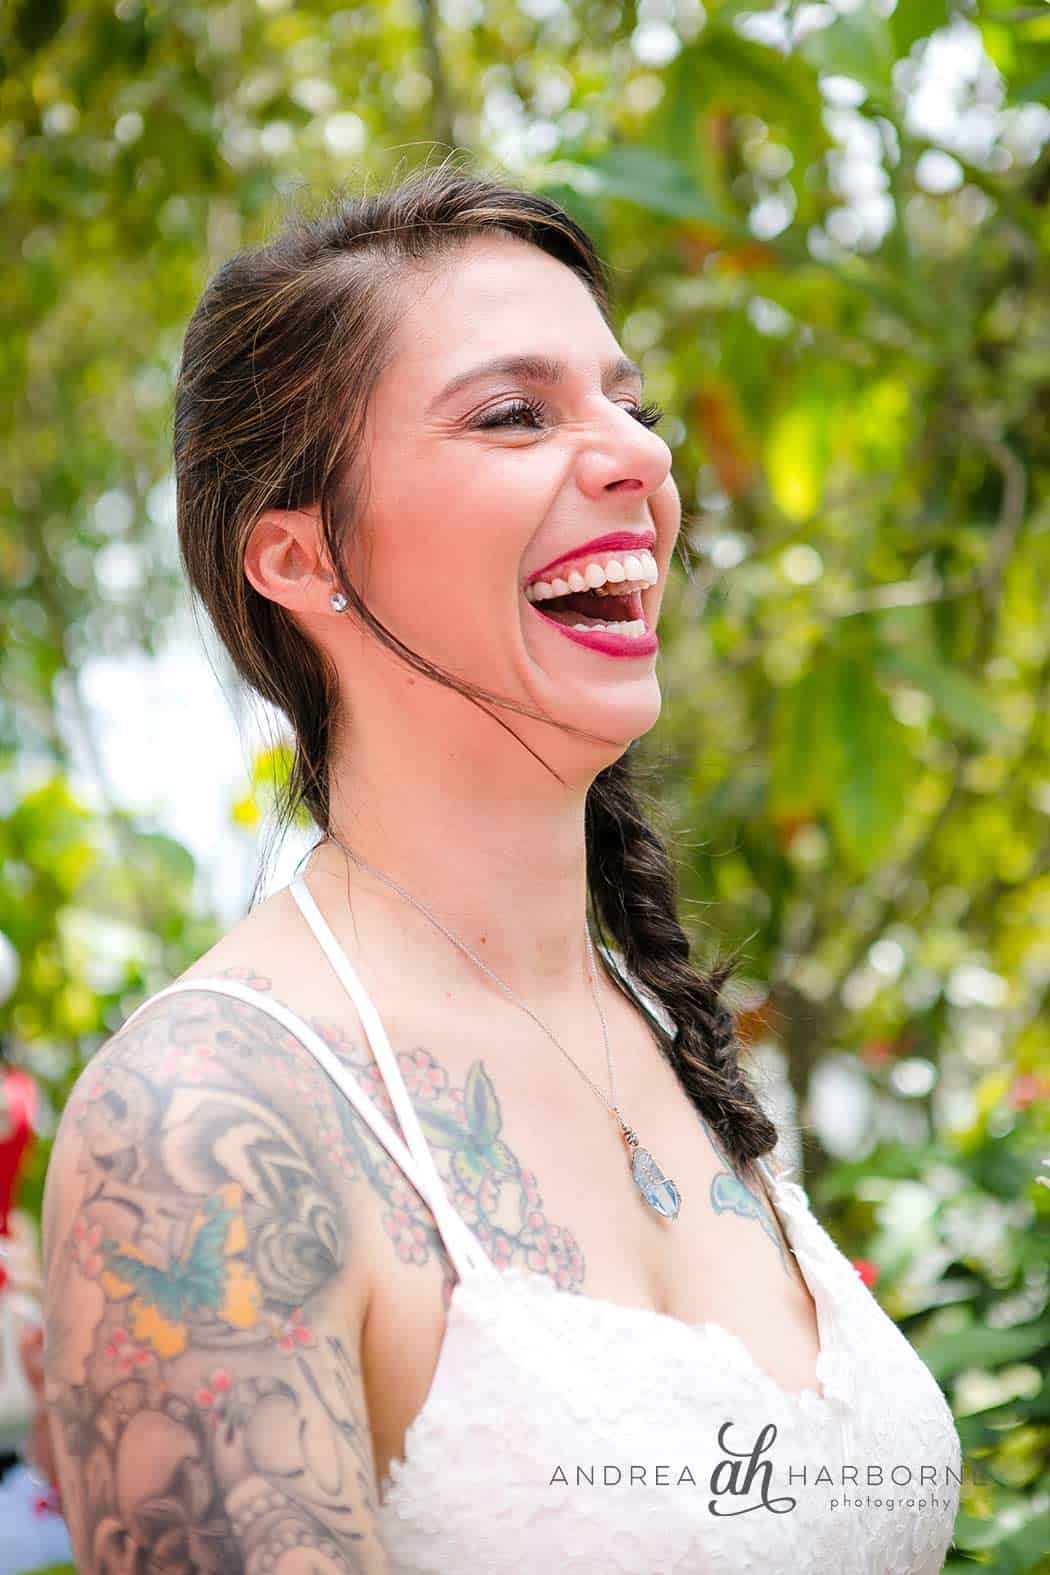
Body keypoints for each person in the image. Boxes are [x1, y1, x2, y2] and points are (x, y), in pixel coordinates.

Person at [40, 160, 962, 1573]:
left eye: (630, 407)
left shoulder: (656, 1031)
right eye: (514, 415)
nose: (638, 458)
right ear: (300, 557)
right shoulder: (208, 1124)